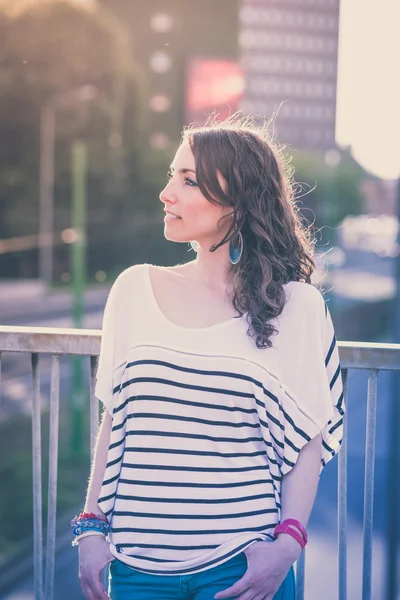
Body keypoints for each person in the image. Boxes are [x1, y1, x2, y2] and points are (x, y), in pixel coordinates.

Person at [74, 114, 345, 600]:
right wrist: (90, 527)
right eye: (170, 175)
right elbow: (116, 421)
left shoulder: (297, 307)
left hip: (244, 570)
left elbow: (311, 440)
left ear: (237, 203)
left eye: (188, 180)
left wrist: (287, 546)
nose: (166, 193)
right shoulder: (134, 288)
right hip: (137, 568)